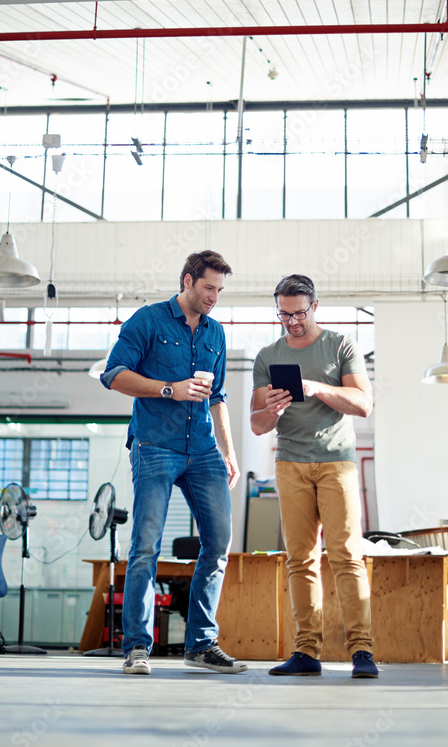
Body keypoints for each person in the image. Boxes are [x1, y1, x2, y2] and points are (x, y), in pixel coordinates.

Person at [101, 249, 247, 675]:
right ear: (187, 281)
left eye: (220, 290)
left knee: (218, 543)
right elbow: (113, 374)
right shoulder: (148, 320)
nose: (214, 297)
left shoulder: (216, 334)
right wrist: (170, 389)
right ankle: (137, 648)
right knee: (146, 546)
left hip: (203, 451)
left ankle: (200, 645)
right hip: (155, 445)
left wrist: (229, 452)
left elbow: (217, 398)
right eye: (208, 288)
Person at [250, 274, 377, 679]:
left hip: (337, 462)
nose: (291, 321)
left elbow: (362, 404)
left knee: (346, 557)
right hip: (290, 464)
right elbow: (256, 425)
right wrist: (272, 408)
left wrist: (316, 387)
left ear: (315, 306)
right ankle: (307, 652)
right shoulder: (267, 357)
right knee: (300, 560)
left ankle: (362, 651)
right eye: (283, 314)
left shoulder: (340, 345)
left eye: (298, 313)